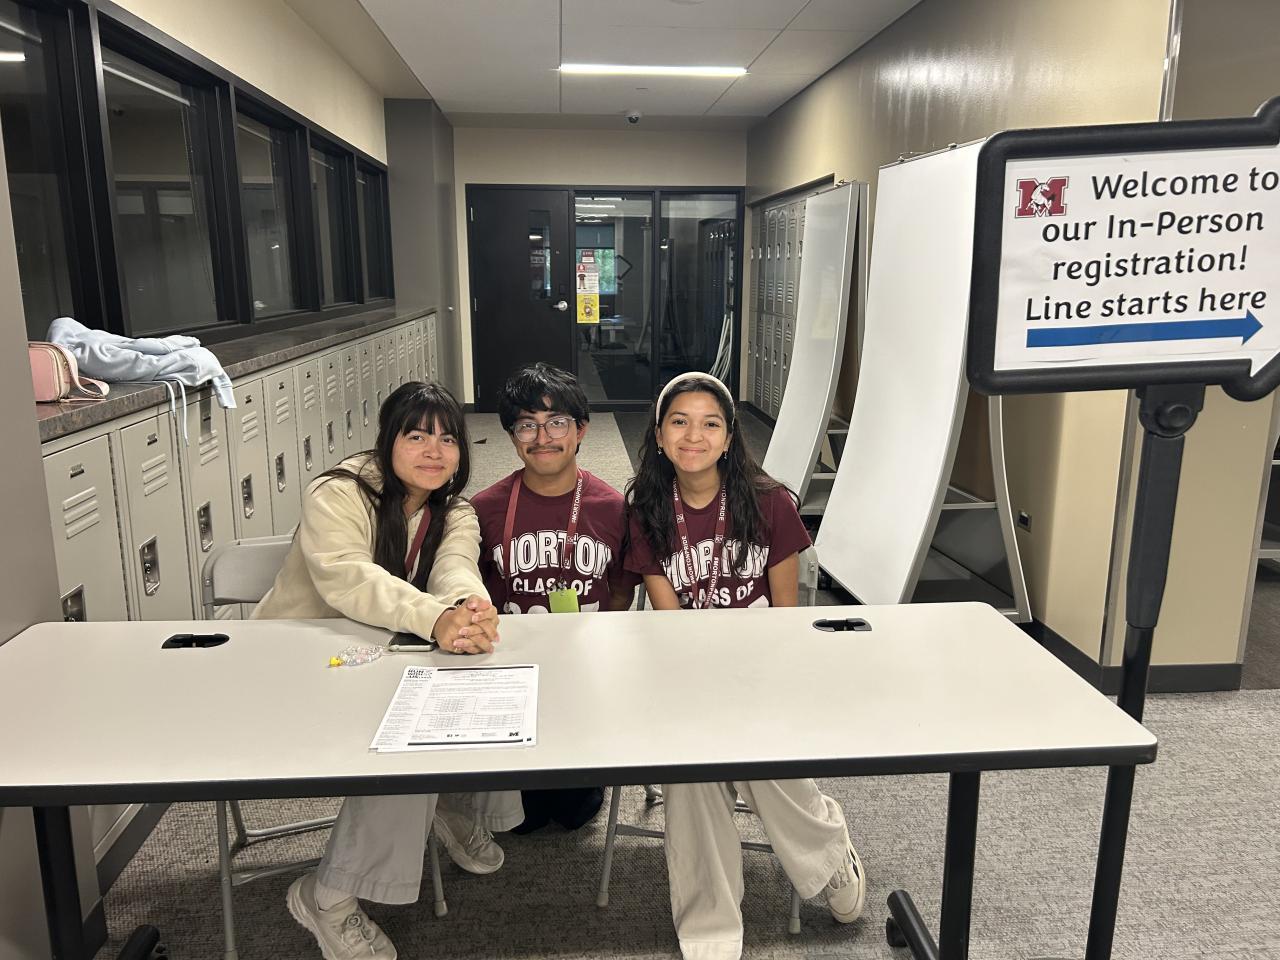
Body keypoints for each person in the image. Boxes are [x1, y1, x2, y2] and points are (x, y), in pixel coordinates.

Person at [253, 381, 524, 960]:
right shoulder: (338, 492)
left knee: (482, 679)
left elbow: (455, 567)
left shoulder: (454, 509)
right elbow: (351, 578)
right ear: (387, 440)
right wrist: (437, 618)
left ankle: (449, 803)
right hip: (303, 660)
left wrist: (469, 609)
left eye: (447, 439)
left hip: (383, 656)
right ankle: (328, 896)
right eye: (416, 435)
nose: (434, 451)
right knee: (407, 739)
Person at [624, 371, 867, 960]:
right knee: (693, 764)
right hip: (686, 675)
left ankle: (829, 851)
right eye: (679, 422)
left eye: (710, 424)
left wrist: (754, 685)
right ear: (659, 435)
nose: (694, 436)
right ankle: (708, 921)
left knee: (755, 750)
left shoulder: (769, 502)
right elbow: (670, 622)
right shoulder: (647, 509)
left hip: (762, 672)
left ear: (730, 438)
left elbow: (785, 620)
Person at [471, 362, 639, 833]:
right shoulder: (485, 509)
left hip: (583, 672)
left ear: (581, 430)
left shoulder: (613, 508)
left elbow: (621, 589)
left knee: (573, 812)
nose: (542, 437)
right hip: (511, 673)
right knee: (518, 819)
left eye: (557, 423)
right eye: (527, 425)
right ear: (512, 436)